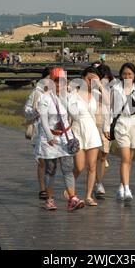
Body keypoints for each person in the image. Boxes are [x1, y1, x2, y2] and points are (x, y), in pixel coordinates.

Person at [103, 63, 135, 201]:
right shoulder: (115, 88)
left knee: (129, 159)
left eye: (130, 74)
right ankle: (126, 188)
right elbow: (109, 108)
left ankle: (121, 185)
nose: (127, 76)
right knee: (125, 158)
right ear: (121, 75)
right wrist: (107, 127)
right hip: (121, 123)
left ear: (134, 75)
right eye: (125, 74)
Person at [36, 67, 85, 211]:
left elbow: (75, 117)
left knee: (68, 169)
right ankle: (49, 199)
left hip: (65, 137)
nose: (60, 84)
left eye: (62, 81)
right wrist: (49, 136)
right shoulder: (44, 98)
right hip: (50, 138)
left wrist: (70, 101)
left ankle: (72, 198)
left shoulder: (69, 96)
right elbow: (44, 119)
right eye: (56, 81)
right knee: (50, 169)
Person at [68, 66, 104, 206]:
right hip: (77, 130)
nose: (90, 82)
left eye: (94, 79)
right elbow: (69, 114)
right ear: (83, 78)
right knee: (79, 166)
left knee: (92, 166)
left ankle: (88, 196)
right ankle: (70, 190)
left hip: (91, 130)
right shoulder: (73, 94)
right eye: (89, 78)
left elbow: (109, 101)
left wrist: (100, 85)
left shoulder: (96, 94)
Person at [24, 67, 51, 200]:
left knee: (50, 162)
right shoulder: (36, 93)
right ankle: (42, 189)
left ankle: (48, 187)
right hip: (39, 130)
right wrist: (35, 111)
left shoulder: (58, 92)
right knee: (41, 161)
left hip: (53, 131)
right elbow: (27, 111)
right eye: (48, 77)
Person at [94, 64, 114, 198]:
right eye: (102, 79)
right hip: (91, 123)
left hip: (106, 124)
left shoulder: (112, 89)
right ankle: (96, 182)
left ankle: (99, 182)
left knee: (103, 155)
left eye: (107, 79)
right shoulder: (89, 88)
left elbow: (110, 105)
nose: (104, 82)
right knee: (93, 156)